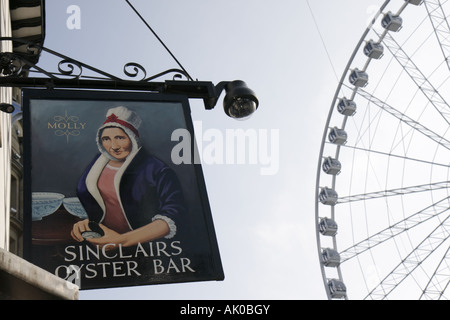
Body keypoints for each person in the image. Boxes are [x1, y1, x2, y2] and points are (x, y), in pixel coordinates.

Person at [71, 106, 186, 249]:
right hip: (103, 243)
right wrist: (87, 222)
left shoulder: (156, 169)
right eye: (106, 139)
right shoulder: (97, 163)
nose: (113, 146)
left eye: (120, 138)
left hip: (145, 248)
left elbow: (174, 214)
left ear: (132, 138)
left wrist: (122, 240)